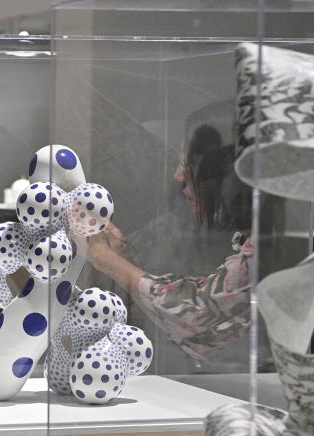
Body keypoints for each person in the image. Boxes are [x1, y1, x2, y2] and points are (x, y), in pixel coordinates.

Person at [83, 124, 255, 361]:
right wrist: (120, 261)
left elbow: (199, 315)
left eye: (190, 162)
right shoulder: (251, 241)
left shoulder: (265, 247)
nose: (178, 176)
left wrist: (105, 258)